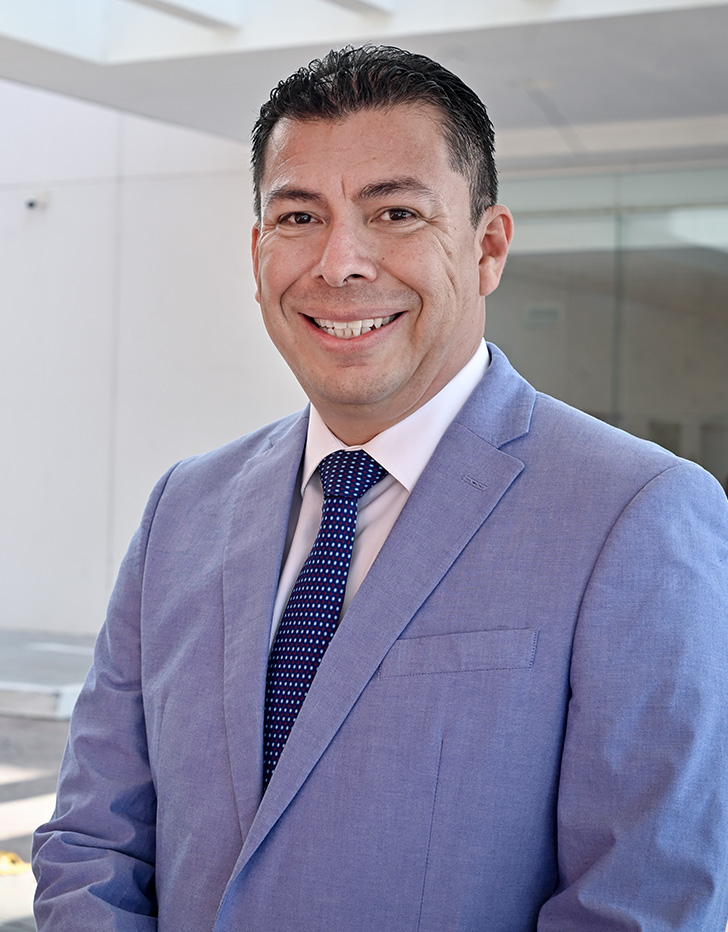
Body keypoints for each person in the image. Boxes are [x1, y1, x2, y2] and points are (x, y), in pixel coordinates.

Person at [33, 46, 728, 932]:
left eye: (395, 212)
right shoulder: (185, 508)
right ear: (257, 250)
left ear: (488, 247)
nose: (340, 263)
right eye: (299, 216)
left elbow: (642, 903)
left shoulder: (637, 513)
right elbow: (91, 841)